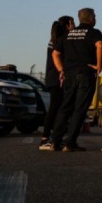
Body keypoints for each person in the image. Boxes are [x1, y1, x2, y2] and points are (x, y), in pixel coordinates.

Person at [46, 7, 102, 152]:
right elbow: (100, 45)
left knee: (65, 107)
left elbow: (55, 54)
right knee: (79, 109)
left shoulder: (68, 34)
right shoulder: (94, 33)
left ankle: (55, 141)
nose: (95, 18)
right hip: (85, 74)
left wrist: (61, 70)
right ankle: (70, 142)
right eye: (94, 16)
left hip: (69, 76)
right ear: (90, 18)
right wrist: (99, 65)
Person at [39, 15, 74, 150]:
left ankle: (50, 138)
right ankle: (46, 139)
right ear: (68, 25)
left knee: (56, 109)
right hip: (59, 77)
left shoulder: (53, 39)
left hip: (52, 77)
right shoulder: (63, 40)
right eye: (73, 23)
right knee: (56, 109)